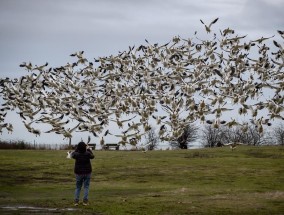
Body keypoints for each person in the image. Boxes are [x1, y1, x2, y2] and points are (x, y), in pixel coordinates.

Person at [71, 141, 95, 206]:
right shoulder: (87, 153)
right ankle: (85, 201)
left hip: (78, 173)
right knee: (86, 187)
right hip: (87, 172)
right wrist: (88, 149)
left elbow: (72, 154)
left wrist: (77, 148)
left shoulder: (76, 154)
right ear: (85, 147)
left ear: (78, 148)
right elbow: (92, 156)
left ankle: (76, 201)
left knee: (78, 187)